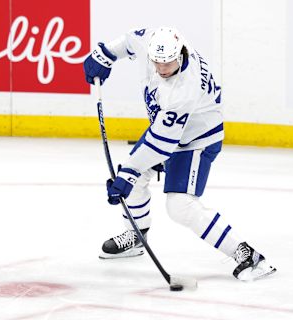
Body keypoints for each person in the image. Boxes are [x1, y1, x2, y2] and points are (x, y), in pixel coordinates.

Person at [83, 27, 276, 281]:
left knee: (179, 205)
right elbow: (130, 41)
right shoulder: (154, 41)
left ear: (181, 54)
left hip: (197, 139)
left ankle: (246, 254)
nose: (162, 69)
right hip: (166, 130)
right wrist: (106, 54)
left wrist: (128, 173)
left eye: (168, 63)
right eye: (157, 63)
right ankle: (136, 234)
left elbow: (163, 143)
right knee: (135, 175)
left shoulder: (184, 90)